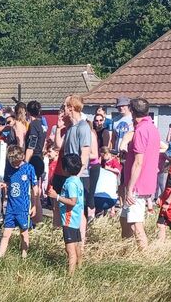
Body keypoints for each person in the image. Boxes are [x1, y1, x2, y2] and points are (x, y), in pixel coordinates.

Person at [120, 98, 160, 248]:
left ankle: (144, 256)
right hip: (145, 181)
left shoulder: (141, 131)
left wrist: (130, 189)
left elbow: (138, 162)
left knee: (137, 225)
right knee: (124, 220)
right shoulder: (151, 127)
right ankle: (127, 251)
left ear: (132, 110)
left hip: (138, 184)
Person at [47, 153, 85, 276]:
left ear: (65, 169)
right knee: (77, 245)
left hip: (69, 218)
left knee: (70, 249)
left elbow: (72, 201)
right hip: (76, 218)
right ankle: (80, 269)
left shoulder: (70, 184)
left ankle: (70, 275)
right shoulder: (77, 180)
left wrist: (56, 196)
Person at [62, 95, 91, 241]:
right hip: (70, 174)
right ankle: (73, 242)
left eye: (65, 106)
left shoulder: (83, 126)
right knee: (71, 210)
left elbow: (85, 154)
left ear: (71, 108)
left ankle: (82, 244)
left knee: (79, 211)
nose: (63, 109)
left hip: (80, 176)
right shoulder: (71, 127)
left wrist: (76, 176)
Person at [24, 100, 47, 224]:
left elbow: (31, 145)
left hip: (33, 159)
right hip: (40, 159)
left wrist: (25, 163)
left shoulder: (33, 125)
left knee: (33, 191)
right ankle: (38, 218)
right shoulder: (42, 125)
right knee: (35, 189)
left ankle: (36, 219)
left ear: (28, 112)